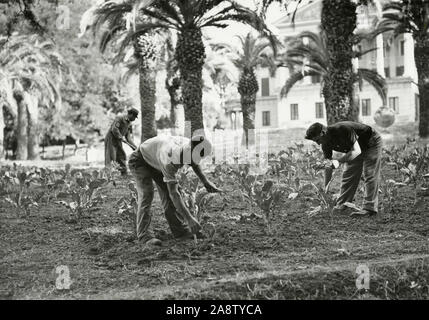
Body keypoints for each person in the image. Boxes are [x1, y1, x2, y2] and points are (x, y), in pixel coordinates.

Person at [128, 134, 222, 246]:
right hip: (139, 161)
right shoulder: (170, 158)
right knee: (147, 194)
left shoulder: (191, 145)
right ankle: (145, 237)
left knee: (167, 194)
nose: (199, 160)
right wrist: (189, 219)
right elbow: (174, 194)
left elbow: (194, 162)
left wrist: (206, 181)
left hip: (156, 159)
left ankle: (180, 232)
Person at [305, 121, 383, 216]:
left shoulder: (342, 129)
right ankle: (343, 205)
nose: (318, 144)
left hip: (371, 142)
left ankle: (369, 208)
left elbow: (356, 151)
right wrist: (326, 190)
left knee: (370, 173)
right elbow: (328, 166)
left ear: (323, 133)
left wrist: (338, 161)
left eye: (317, 140)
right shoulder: (325, 143)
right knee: (348, 174)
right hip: (356, 148)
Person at [105, 108, 138, 175]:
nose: (134, 119)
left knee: (121, 155)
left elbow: (128, 137)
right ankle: (109, 174)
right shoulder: (120, 118)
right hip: (111, 138)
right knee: (112, 156)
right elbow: (114, 129)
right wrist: (120, 137)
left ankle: (123, 173)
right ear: (130, 114)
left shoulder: (129, 124)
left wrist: (134, 147)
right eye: (134, 117)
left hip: (118, 140)